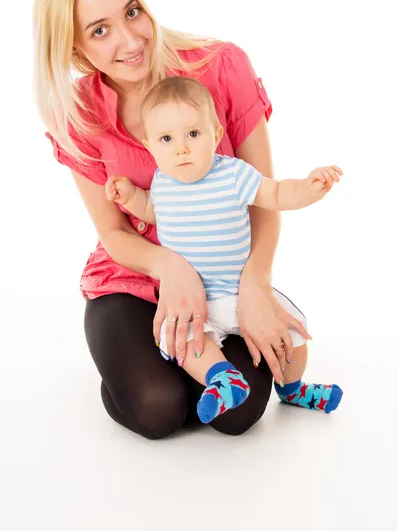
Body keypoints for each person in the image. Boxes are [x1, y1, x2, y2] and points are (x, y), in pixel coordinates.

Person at [33, 0, 332, 440]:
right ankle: (138, 372)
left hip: (223, 280)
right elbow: (113, 231)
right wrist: (170, 267)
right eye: (100, 30)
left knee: (238, 413)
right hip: (132, 278)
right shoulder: (78, 116)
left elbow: (266, 195)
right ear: (72, 47)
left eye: (132, 12)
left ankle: (180, 364)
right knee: (157, 409)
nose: (130, 41)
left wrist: (256, 284)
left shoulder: (220, 66)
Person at [104, 76, 344, 423]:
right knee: (184, 343)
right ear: (150, 146)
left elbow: (274, 194)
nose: (181, 148)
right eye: (167, 139)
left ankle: (294, 389)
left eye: (193, 134)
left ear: (215, 135)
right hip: (195, 301)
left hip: (241, 292)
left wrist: (309, 188)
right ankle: (224, 378)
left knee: (292, 335)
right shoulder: (162, 183)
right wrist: (128, 195)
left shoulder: (231, 174)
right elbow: (151, 211)